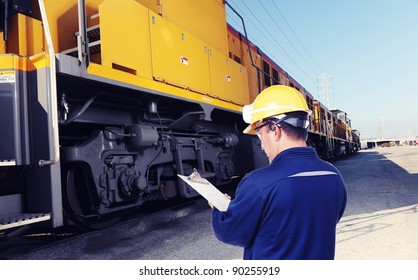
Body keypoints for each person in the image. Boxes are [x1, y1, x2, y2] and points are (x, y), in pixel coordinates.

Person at [210, 85, 347, 260]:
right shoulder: (333, 176)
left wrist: (217, 209)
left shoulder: (258, 183)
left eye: (259, 134)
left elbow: (230, 232)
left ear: (275, 129)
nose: (261, 144)